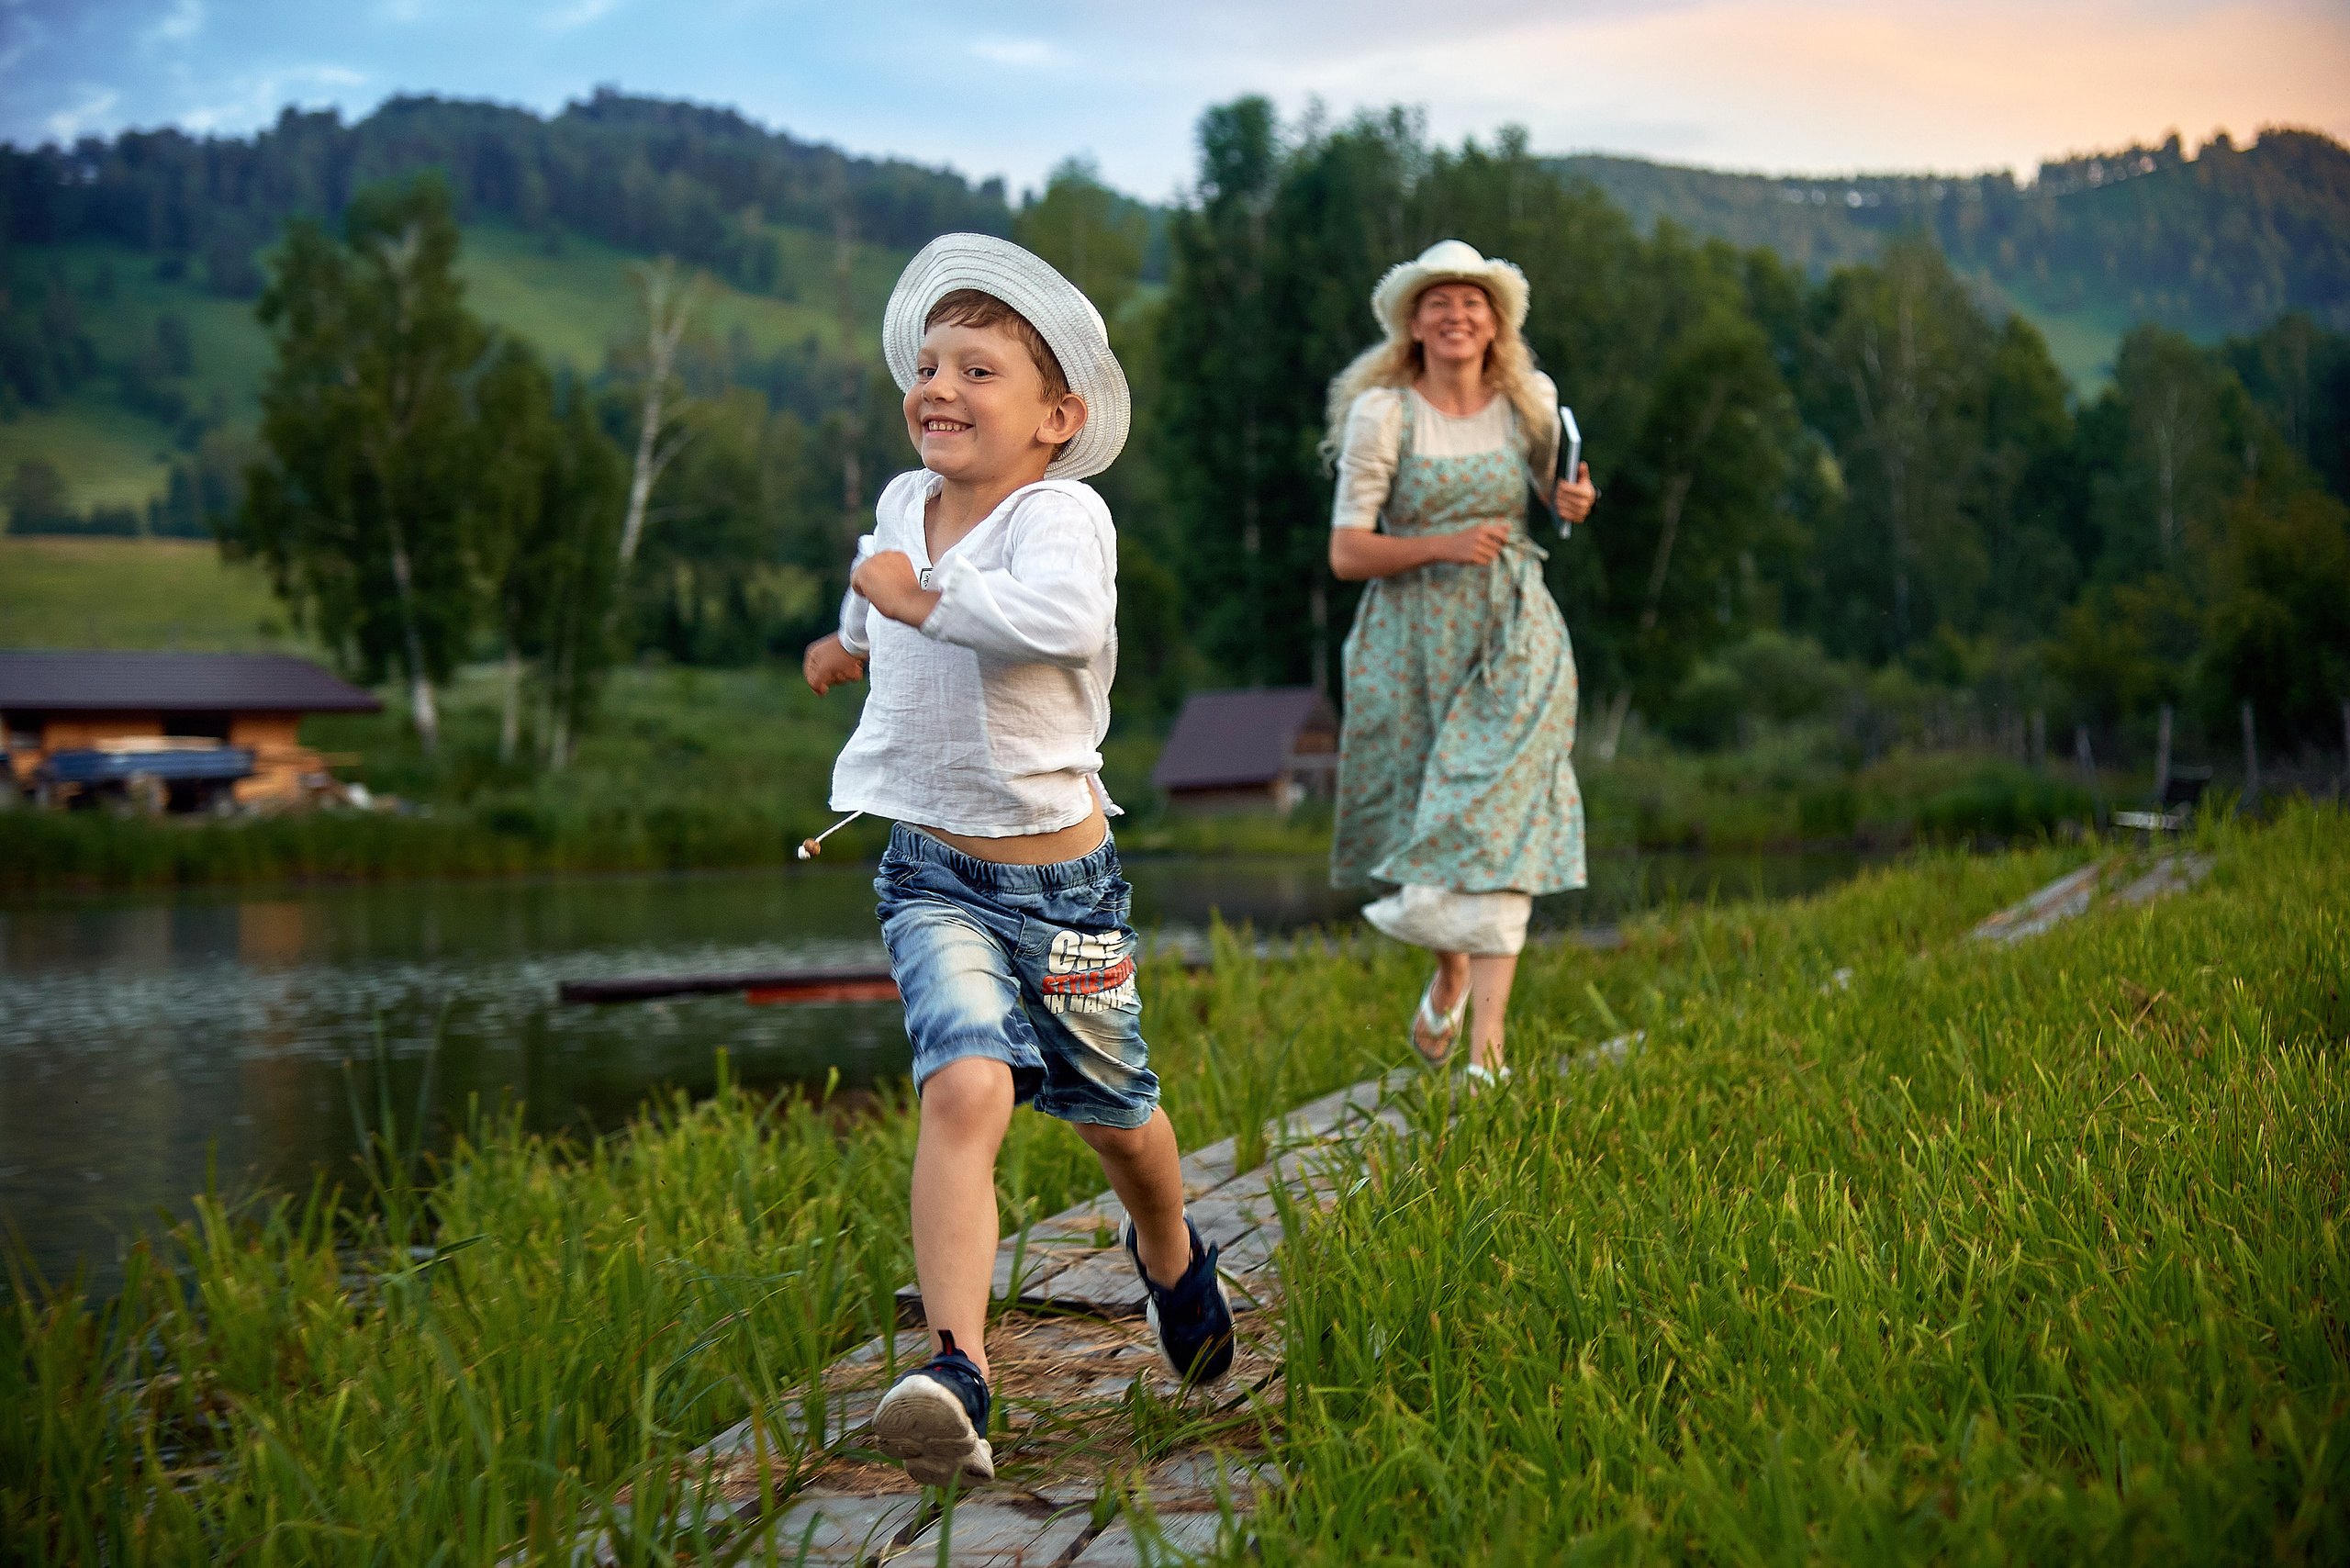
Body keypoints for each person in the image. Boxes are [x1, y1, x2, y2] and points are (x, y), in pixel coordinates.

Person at [801, 234, 1234, 1489]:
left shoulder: (1061, 517)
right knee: (963, 1087)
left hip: (1069, 890)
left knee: (1117, 1116)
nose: (938, 385)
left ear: (1056, 416)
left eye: (976, 369)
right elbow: (881, 593)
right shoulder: (900, 503)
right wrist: (854, 644)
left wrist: (915, 601)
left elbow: (1059, 626)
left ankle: (1168, 1243)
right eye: (928, 363)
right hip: (932, 869)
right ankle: (956, 1370)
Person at [1324, 240, 1600, 1084]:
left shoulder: (1530, 403)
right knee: (1425, 823)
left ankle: (1489, 1056)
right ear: (1413, 321)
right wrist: (1439, 543)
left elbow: (1559, 496)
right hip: (1406, 640)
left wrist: (1574, 502)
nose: (1456, 315)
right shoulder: (1385, 415)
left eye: (1472, 301)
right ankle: (1446, 966)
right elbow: (1346, 553)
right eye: (1438, 302)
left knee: (1502, 814)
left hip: (1513, 629)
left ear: (1496, 320)